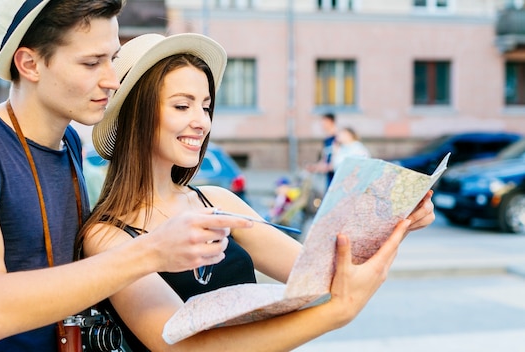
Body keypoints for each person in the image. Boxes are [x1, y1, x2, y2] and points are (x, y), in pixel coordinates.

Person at [0, 1, 252, 350]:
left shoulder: (69, 143)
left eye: (112, 59)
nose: (113, 80)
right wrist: (151, 251)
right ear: (29, 64)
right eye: (91, 63)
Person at [81, 32, 436, 351]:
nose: (202, 121)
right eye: (182, 105)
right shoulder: (106, 237)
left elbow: (319, 275)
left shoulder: (216, 202)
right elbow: (181, 348)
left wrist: (394, 219)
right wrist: (335, 314)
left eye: (205, 106)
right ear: (137, 115)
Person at [307, 112, 337, 189]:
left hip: (336, 176)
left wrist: (324, 167)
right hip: (329, 176)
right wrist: (316, 167)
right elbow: (325, 158)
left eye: (324, 122)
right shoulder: (326, 139)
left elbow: (336, 159)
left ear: (330, 121)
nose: (322, 124)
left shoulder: (337, 139)